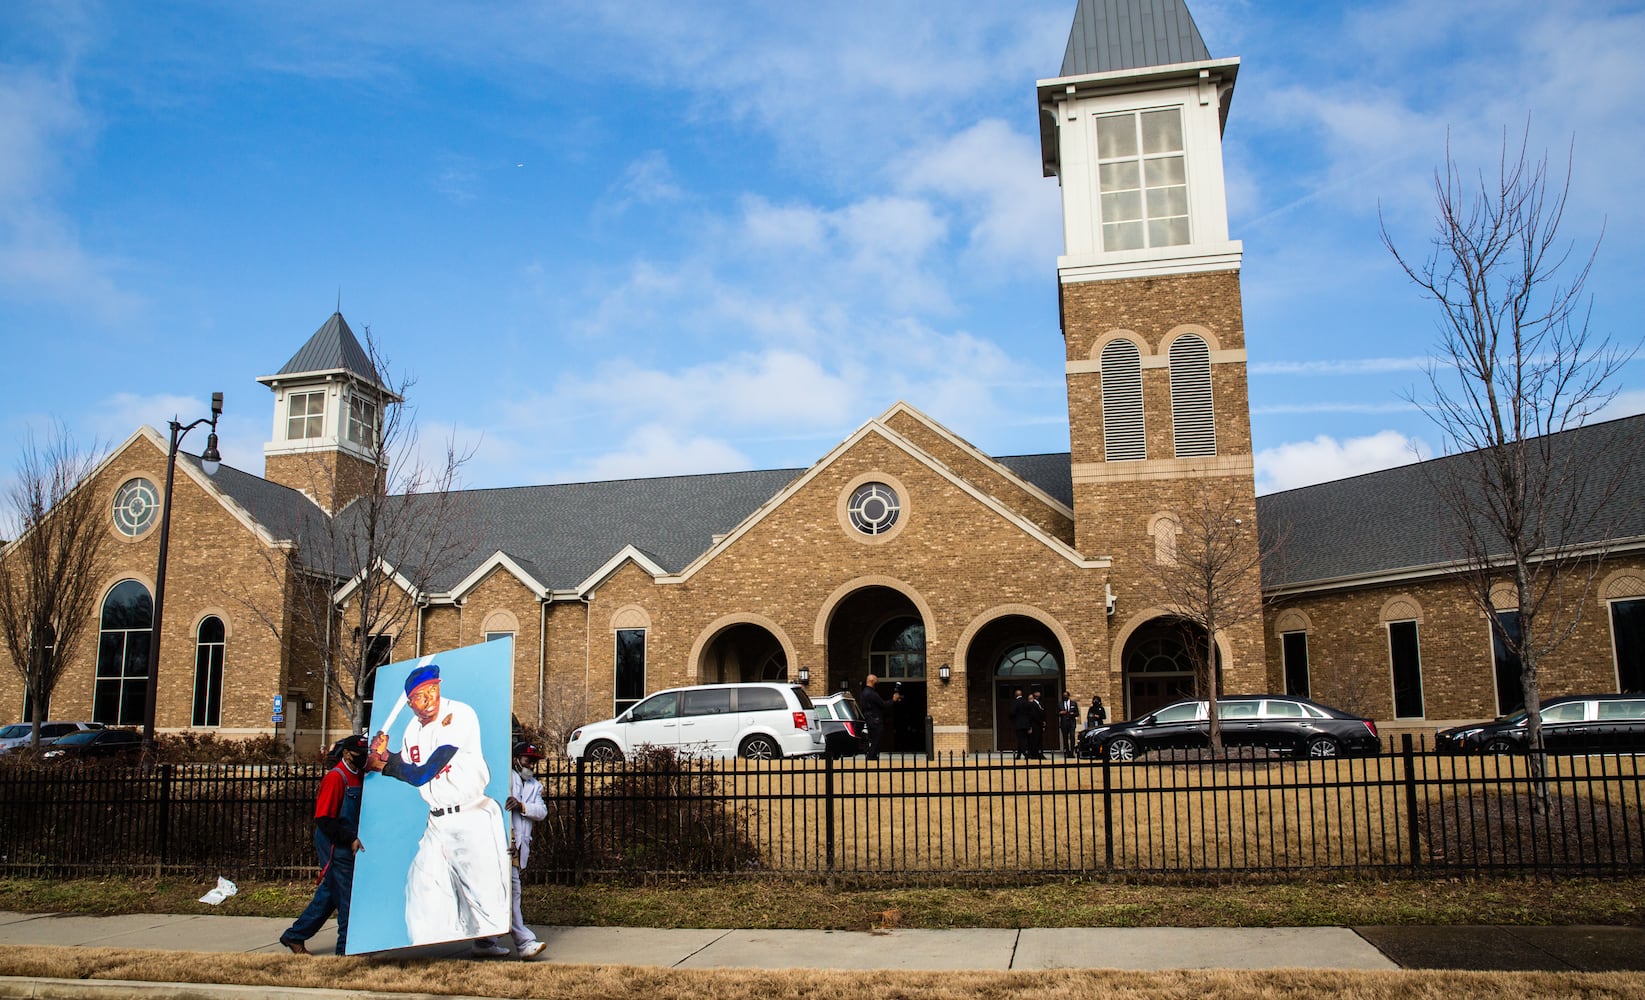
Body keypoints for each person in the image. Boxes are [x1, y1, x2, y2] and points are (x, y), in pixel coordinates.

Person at [367, 663, 511, 950]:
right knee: (423, 889)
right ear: (410, 703)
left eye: (433, 689)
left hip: (471, 814)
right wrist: (385, 754)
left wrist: (383, 766)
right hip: (437, 821)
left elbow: (425, 771)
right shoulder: (411, 729)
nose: (430, 698)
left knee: (486, 900)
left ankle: (488, 943)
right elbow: (409, 767)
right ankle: (425, 949)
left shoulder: (458, 714)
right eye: (421, 695)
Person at [280, 735, 367, 956]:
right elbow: (324, 819)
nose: (362, 757)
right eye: (358, 754)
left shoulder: (360, 776)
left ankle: (295, 935)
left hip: (350, 844)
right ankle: (345, 951)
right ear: (346, 754)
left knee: (330, 894)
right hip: (336, 846)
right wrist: (349, 839)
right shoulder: (336, 779)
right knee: (349, 899)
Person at [471, 741, 549, 960]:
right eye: (527, 760)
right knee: (512, 892)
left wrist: (522, 806)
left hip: (516, 848)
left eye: (534, 761)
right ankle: (525, 942)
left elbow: (541, 811)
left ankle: (485, 941)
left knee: (499, 893)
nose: (531, 764)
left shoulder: (535, 785)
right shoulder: (505, 779)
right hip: (502, 844)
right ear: (516, 760)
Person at [859, 674, 900, 760]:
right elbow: (883, 705)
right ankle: (871, 757)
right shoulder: (871, 693)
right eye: (876, 681)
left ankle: (871, 757)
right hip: (875, 720)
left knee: (873, 740)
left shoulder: (863, 693)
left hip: (869, 719)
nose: (877, 682)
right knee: (876, 741)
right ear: (871, 681)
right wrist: (893, 700)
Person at [1024, 687, 1047, 760]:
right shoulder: (1032, 704)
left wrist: (1043, 722)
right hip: (1034, 725)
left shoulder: (1040, 703)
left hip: (1040, 725)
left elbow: (1043, 713)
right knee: (1034, 740)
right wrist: (1030, 726)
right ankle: (1034, 755)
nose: (1038, 694)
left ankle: (1040, 754)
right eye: (1036, 693)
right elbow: (1033, 716)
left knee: (1040, 741)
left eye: (1038, 693)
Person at [1009, 686, 1030, 758]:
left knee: (1021, 739)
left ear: (1015, 695)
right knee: (1023, 738)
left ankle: (1025, 753)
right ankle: (1018, 754)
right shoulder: (1026, 702)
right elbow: (1029, 713)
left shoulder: (1015, 702)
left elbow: (1012, 713)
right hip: (1026, 724)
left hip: (1018, 724)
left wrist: (1012, 719)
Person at [1059, 690, 1079, 758]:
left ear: (1068, 696)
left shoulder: (1073, 703)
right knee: (1065, 738)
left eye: (1066, 695)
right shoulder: (1060, 704)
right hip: (1064, 723)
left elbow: (1077, 713)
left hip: (1072, 722)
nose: (1065, 697)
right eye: (1064, 696)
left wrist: (1073, 714)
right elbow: (1056, 713)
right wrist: (1060, 713)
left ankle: (1072, 752)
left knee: (1072, 737)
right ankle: (1067, 752)